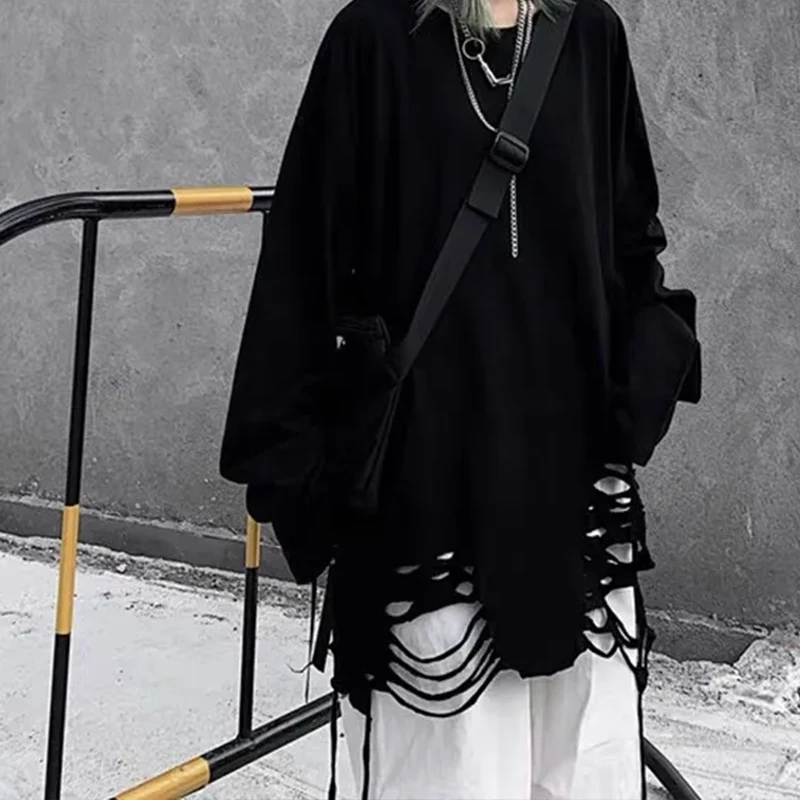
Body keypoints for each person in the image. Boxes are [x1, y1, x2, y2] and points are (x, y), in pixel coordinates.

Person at [219, 0, 701, 797]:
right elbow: (303, 265)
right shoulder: (373, 38)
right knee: (449, 771)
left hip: (573, 495)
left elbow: (630, 240)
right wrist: (292, 463)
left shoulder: (590, 34)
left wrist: (641, 387)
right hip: (428, 496)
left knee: (584, 768)